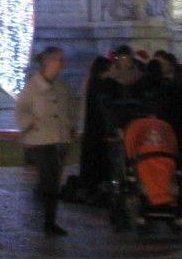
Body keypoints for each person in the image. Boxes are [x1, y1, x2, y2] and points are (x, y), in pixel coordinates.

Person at [14, 46, 77, 237]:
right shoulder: (33, 87)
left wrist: (71, 126)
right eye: (59, 59)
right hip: (40, 140)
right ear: (48, 62)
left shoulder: (62, 86)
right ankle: (48, 220)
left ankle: (49, 217)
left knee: (54, 179)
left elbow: (71, 108)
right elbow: (21, 109)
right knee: (50, 180)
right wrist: (29, 122)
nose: (62, 63)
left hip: (60, 138)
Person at [76, 53, 116, 193]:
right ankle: (96, 184)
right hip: (99, 126)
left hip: (91, 126)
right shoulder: (101, 85)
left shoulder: (91, 82)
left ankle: (90, 183)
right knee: (99, 155)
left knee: (91, 155)